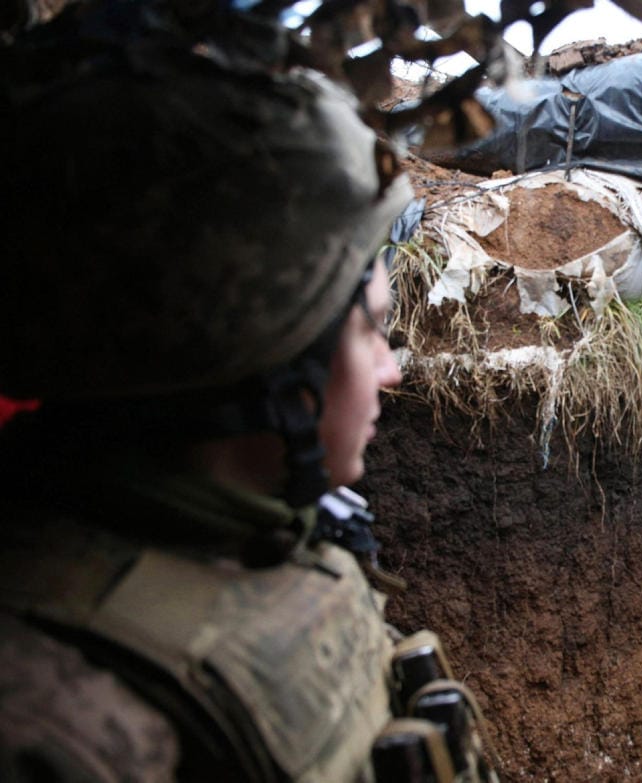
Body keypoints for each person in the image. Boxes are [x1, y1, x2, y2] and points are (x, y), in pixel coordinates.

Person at [0, 3, 494, 781]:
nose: (391, 369)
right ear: (261, 355)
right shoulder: (62, 725)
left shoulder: (274, 541)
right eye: (369, 330)